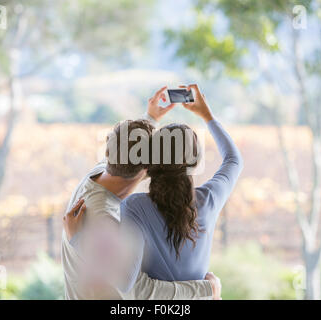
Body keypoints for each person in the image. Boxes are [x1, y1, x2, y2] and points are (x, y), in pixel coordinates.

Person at [62, 86, 221, 300]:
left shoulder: (101, 172)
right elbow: (139, 291)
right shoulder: (105, 219)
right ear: (148, 169)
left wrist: (151, 117)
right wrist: (206, 289)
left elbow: (128, 150)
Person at [119, 84, 243, 291]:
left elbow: (126, 283)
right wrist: (207, 116)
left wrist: (150, 118)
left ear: (150, 162)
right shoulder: (208, 201)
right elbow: (233, 160)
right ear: (195, 163)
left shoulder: (133, 207)